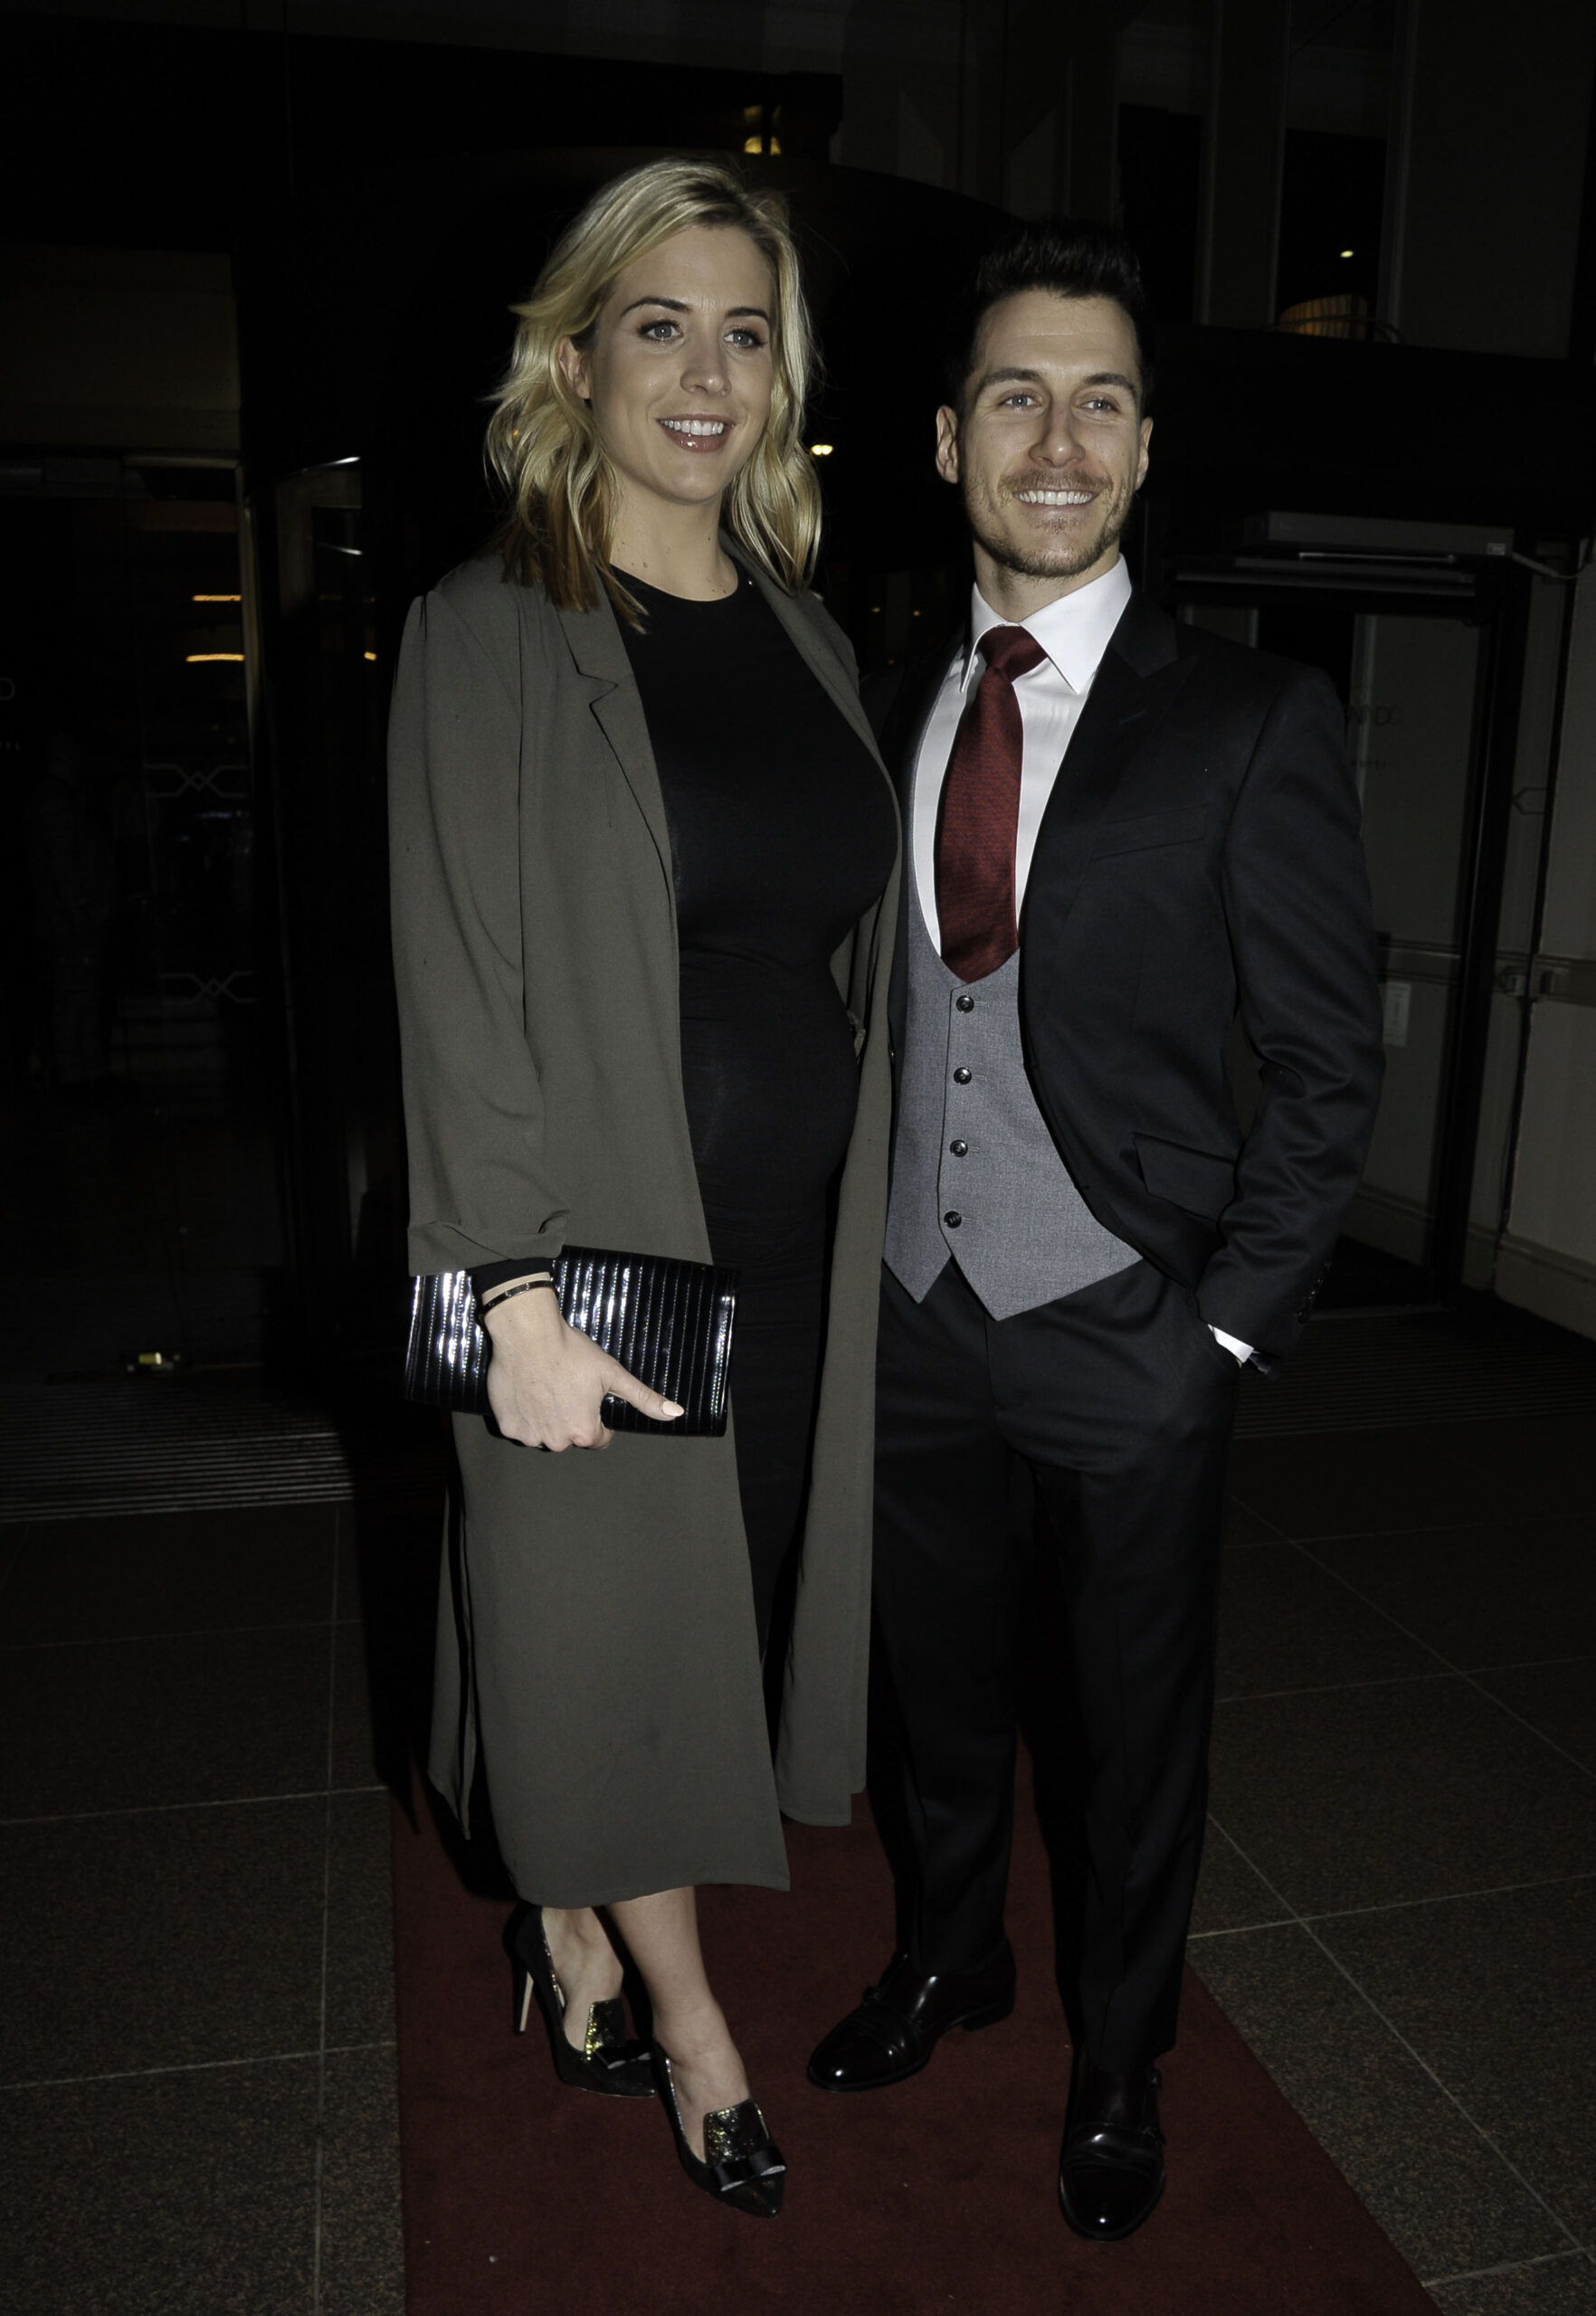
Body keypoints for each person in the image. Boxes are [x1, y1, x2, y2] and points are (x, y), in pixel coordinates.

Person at [806, 222, 1383, 2242]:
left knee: (1133, 1737)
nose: (1058, 440)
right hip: (912, 1308)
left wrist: (1221, 1330)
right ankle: (953, 1954)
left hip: (1130, 1322)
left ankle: (1121, 2055)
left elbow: (1327, 1057)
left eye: (1102, 401)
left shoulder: (1248, 718)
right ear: (947, 438)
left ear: (1143, 448)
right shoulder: (878, 696)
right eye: (1018, 397)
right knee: (936, 1691)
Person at [388, 157, 898, 2219]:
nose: (705, 374)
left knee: (709, 1629)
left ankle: (573, 1921)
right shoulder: (489, 627)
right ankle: (695, 2034)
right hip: (592, 1256)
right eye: (660, 326)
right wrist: (503, 1295)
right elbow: (454, 979)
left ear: (784, 379)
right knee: (614, 1644)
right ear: (577, 359)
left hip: (795, 1252)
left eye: (745, 333)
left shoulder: (809, 636)